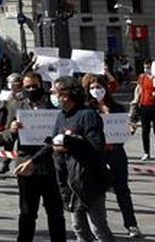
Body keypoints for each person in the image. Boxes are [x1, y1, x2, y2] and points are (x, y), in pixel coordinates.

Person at [48, 76, 115, 242]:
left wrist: (69, 144)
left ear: (66, 94)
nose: (53, 96)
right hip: (69, 181)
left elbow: (96, 146)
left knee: (98, 227)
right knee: (79, 228)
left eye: (55, 92)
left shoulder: (88, 115)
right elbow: (54, 141)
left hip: (89, 179)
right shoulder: (61, 116)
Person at [3, 73, 66, 242]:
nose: (31, 89)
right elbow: (4, 138)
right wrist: (12, 131)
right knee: (27, 212)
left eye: (34, 86)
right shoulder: (16, 106)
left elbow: (60, 136)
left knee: (55, 212)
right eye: (28, 87)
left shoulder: (55, 109)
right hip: (26, 167)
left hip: (51, 166)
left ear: (42, 85)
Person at [85, 74, 143, 238]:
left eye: (99, 87)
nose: (96, 91)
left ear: (106, 88)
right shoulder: (86, 109)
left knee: (122, 189)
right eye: (92, 88)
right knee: (95, 190)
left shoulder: (117, 107)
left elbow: (123, 129)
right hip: (95, 154)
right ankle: (98, 227)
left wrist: (128, 130)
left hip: (116, 152)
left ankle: (131, 224)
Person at [132, 61, 155, 161]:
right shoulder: (142, 77)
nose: (146, 70)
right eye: (145, 68)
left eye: (148, 67)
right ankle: (146, 152)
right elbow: (139, 89)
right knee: (145, 131)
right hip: (144, 106)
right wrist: (136, 100)